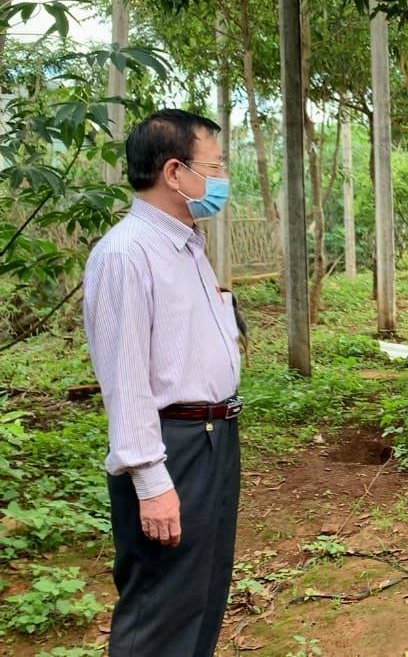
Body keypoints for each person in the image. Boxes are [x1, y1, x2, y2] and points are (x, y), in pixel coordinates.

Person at [83, 109, 242, 656]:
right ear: (175, 173)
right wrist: (151, 482)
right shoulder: (127, 255)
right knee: (161, 605)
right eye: (213, 166)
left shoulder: (188, 246)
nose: (221, 180)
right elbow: (123, 378)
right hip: (171, 447)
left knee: (202, 591)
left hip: (214, 437)